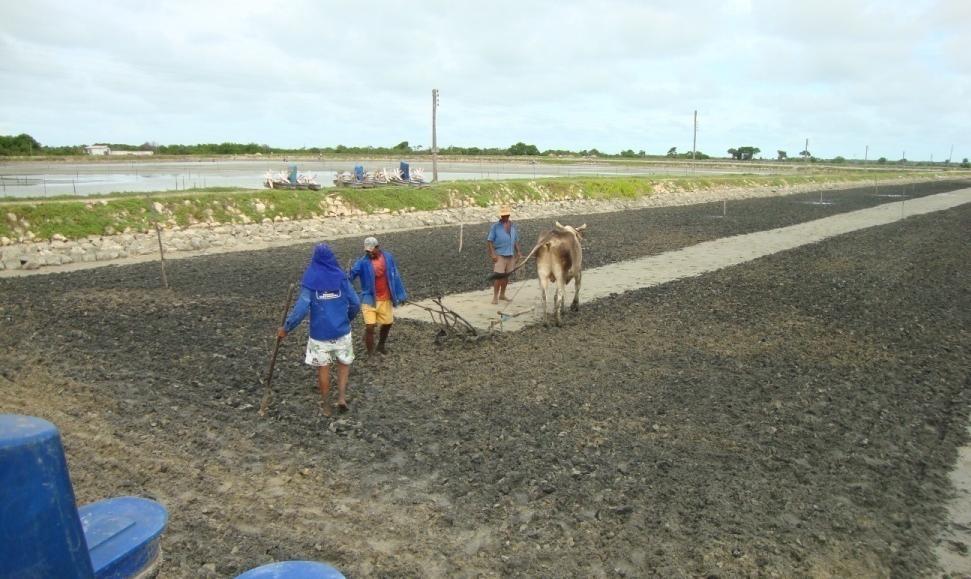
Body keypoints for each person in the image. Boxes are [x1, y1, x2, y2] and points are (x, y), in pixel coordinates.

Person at [278, 243, 360, 417]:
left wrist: (287, 328)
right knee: (343, 364)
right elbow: (355, 303)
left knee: (323, 368)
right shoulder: (341, 277)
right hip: (342, 331)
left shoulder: (311, 279)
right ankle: (342, 398)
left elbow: (301, 309)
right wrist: (348, 319)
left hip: (320, 334)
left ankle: (326, 405)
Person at [349, 236, 408, 356]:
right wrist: (346, 275)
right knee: (370, 326)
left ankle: (381, 345)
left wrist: (401, 295)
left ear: (377, 247)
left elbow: (395, 276)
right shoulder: (362, 262)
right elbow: (350, 276)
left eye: (371, 251)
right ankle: (370, 353)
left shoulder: (388, 258)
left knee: (387, 323)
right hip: (369, 299)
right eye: (367, 251)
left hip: (385, 298)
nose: (369, 253)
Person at [486, 205, 521, 304]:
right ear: (500, 216)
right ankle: (495, 297)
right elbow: (489, 241)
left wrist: (518, 252)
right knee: (498, 276)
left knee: (506, 277)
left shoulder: (512, 226)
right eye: (503, 215)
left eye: (506, 215)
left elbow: (516, 241)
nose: (504, 217)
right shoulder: (495, 227)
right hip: (500, 255)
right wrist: (492, 254)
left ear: (509, 215)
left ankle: (502, 295)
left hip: (510, 255)